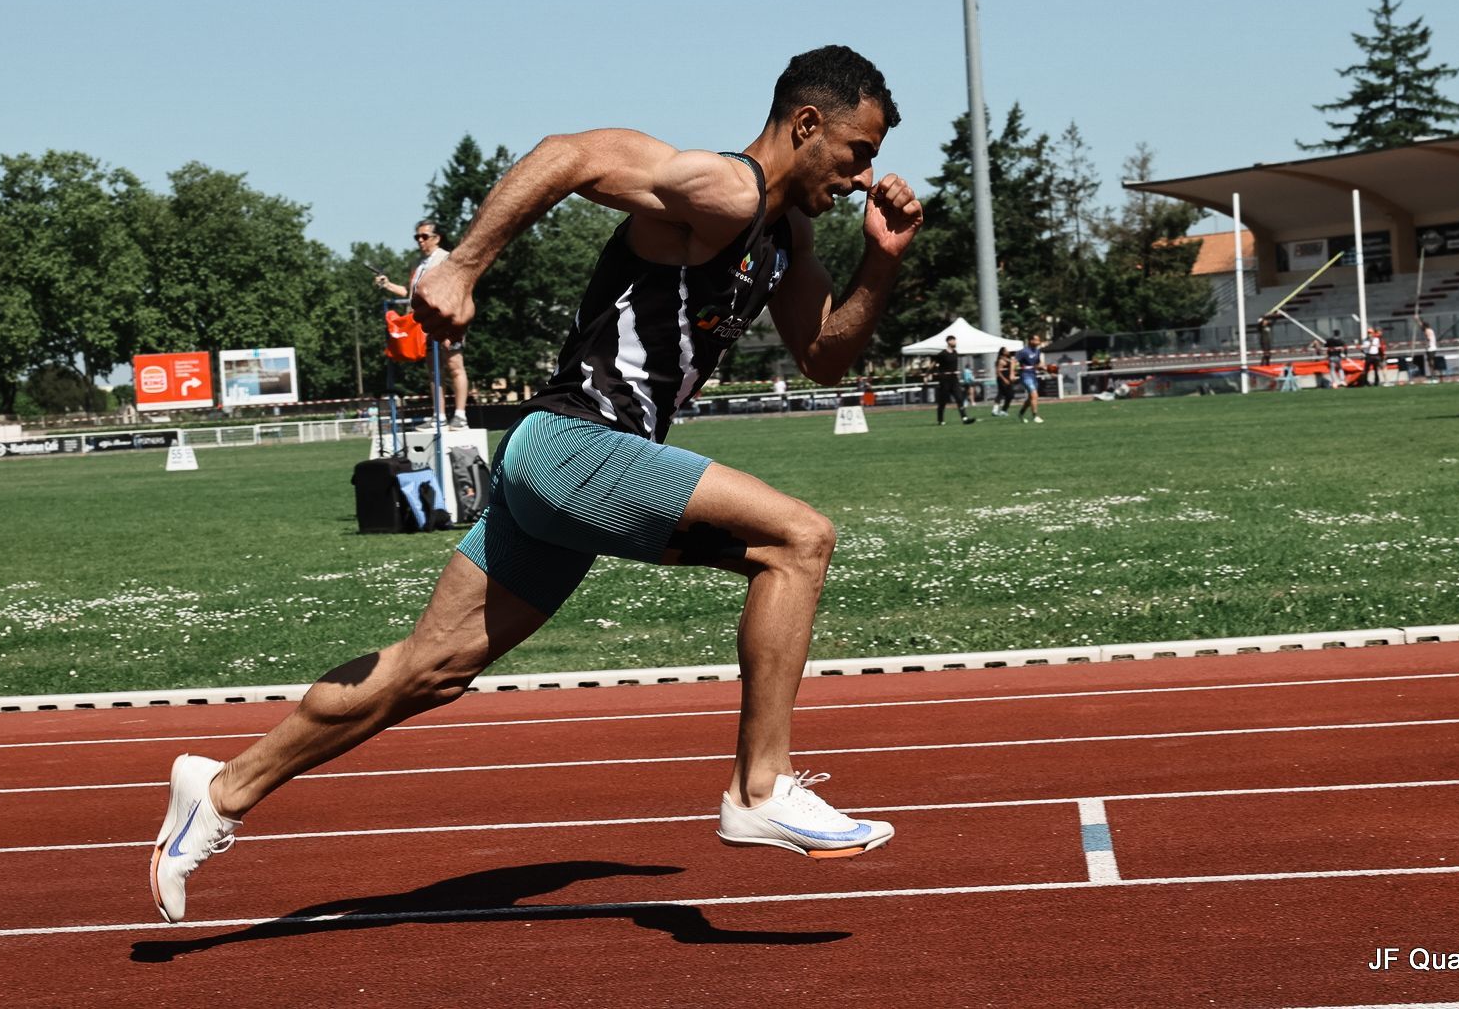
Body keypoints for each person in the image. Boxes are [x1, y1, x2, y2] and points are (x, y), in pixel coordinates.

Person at [149, 45, 919, 924]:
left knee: (428, 669)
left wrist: (884, 258)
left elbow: (825, 356)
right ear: (807, 124)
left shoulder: (786, 235)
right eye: (857, 152)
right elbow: (570, 154)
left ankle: (218, 789)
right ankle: (761, 786)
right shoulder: (726, 190)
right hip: (572, 448)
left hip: (572, 471)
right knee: (799, 540)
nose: (865, 177)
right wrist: (464, 265)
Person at [377, 220, 471, 429]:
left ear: (436, 238)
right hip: (425, 324)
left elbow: (456, 288)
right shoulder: (419, 264)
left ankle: (460, 415)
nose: (420, 241)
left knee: (454, 366)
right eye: (417, 237)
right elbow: (410, 295)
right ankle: (439, 416)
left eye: (424, 236)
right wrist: (388, 284)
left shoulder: (446, 258)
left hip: (446, 319)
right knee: (434, 370)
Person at [931, 335, 975, 425]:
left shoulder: (955, 352)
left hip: (954, 379)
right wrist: (928, 374)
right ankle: (940, 420)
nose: (955, 342)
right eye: (953, 341)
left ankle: (965, 418)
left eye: (955, 341)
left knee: (959, 398)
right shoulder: (942, 354)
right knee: (943, 401)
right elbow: (933, 364)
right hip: (945, 379)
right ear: (948, 341)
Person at [1015, 334, 1049, 423]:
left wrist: (1046, 369)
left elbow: (1037, 364)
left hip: (1033, 375)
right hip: (1025, 376)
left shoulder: (1037, 351)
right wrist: (1012, 372)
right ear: (1031, 341)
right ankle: (1035, 416)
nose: (1038, 342)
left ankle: (1021, 414)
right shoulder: (1023, 351)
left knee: (1031, 398)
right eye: (1037, 340)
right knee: (1034, 395)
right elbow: (1013, 361)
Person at [1414, 315, 1439, 383]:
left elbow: (1428, 338)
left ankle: (1433, 376)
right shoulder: (1429, 330)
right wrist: (1417, 319)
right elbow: (1421, 326)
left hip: (1430, 348)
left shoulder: (1427, 330)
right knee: (1430, 362)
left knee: (1431, 362)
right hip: (1432, 347)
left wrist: (1425, 343)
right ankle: (1433, 376)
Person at [991, 346, 1014, 416]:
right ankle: (999, 410)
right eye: (1006, 350)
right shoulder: (1001, 361)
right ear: (1003, 352)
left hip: (1007, 378)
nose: (1008, 351)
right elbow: (998, 372)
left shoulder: (1008, 359)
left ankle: (1000, 410)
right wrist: (1004, 380)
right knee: (1006, 394)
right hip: (1002, 379)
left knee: (1005, 395)